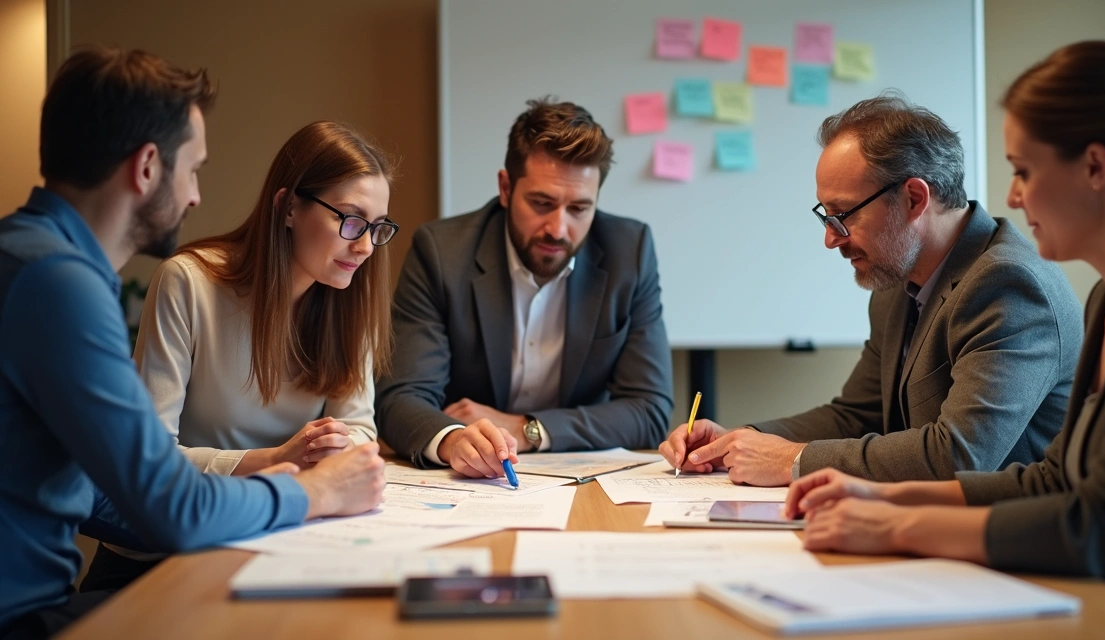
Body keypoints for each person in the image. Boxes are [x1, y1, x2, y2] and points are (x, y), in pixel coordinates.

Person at [783, 41, 1105, 638]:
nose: (1012, 196)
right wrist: (889, 498)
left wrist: (895, 527)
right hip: (1084, 600)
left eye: (1024, 171)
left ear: (1096, 167)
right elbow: (1054, 479)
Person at [0, 48, 384, 639]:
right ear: (148, 167)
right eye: (193, 168)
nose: (197, 195)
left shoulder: (32, 257)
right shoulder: (57, 284)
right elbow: (170, 506)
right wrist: (305, 489)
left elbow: (106, 490)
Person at [660, 94, 1083, 487]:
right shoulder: (897, 281)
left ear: (915, 199)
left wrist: (794, 460)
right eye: (826, 216)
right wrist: (741, 439)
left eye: (842, 215)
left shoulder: (1007, 286)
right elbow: (858, 415)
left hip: (1011, 550)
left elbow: (958, 454)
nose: (831, 239)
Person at [80, 121, 399, 591]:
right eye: (350, 220)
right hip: (162, 556)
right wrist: (273, 459)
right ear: (289, 207)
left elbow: (358, 427)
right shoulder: (187, 283)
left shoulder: (350, 296)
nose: (366, 245)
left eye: (377, 227)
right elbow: (150, 462)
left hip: (284, 542)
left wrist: (338, 446)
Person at [377, 97, 673, 478]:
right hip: (470, 478)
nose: (558, 228)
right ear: (505, 188)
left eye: (579, 209)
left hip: (582, 475)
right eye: (541, 203)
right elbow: (400, 398)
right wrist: (452, 439)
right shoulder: (442, 253)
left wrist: (527, 428)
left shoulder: (628, 252)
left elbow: (649, 410)